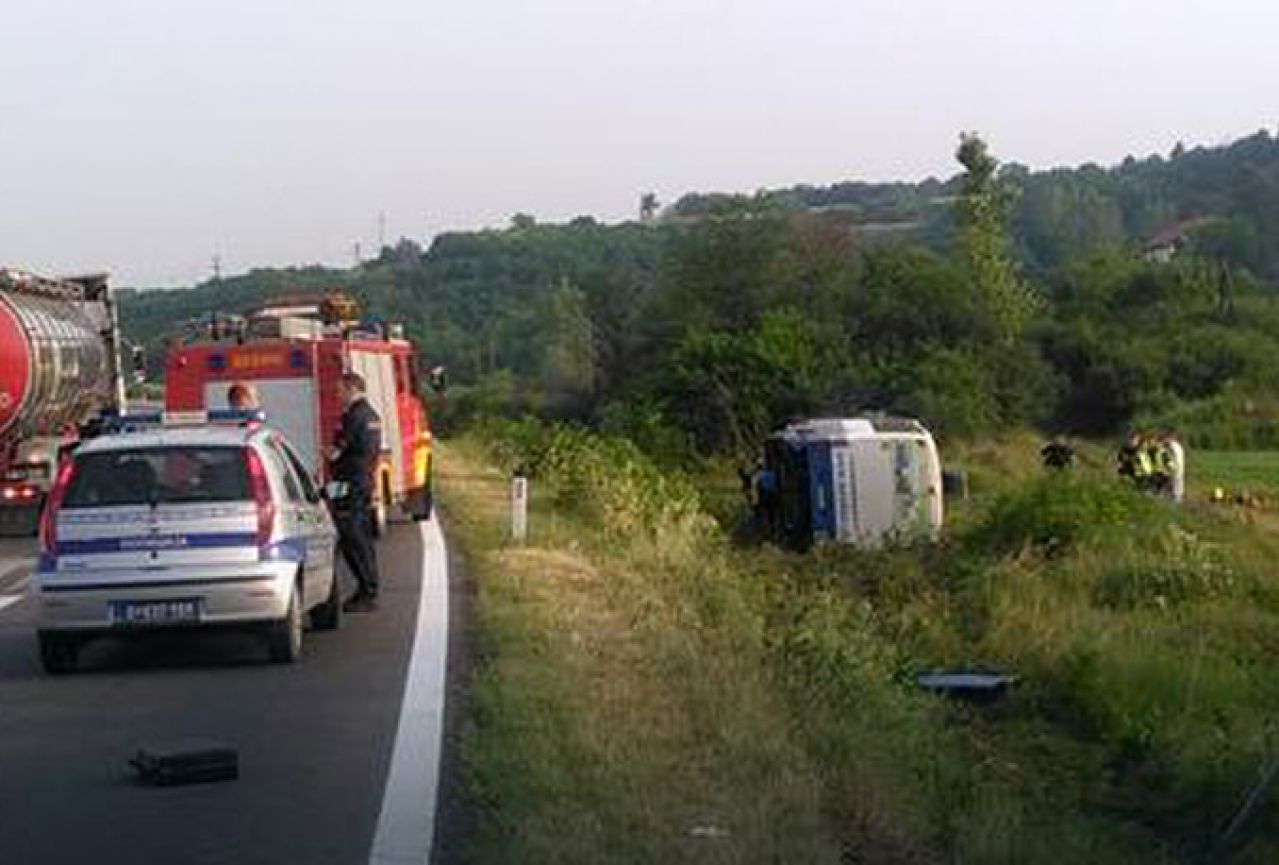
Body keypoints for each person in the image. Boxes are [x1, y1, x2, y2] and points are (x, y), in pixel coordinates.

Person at [330, 372, 382, 612]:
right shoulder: (372, 415)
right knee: (361, 537)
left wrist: (323, 454)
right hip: (363, 480)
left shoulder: (352, 417)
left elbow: (335, 452)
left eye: (340, 390)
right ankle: (369, 587)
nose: (337, 394)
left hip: (349, 483)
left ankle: (366, 590)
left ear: (352, 389)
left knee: (352, 538)